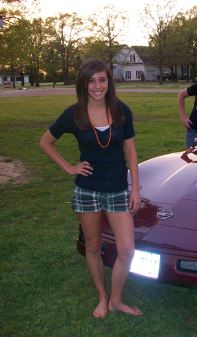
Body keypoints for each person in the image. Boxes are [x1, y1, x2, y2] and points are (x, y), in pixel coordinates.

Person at [39, 59, 142, 318]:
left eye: (102, 80)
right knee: (93, 246)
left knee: (127, 249)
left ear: (109, 81)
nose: (97, 86)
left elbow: (130, 149)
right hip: (87, 190)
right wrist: (69, 167)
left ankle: (116, 299)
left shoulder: (121, 111)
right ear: (83, 84)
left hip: (118, 188)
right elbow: (46, 142)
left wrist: (136, 189)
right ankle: (102, 296)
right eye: (91, 80)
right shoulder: (74, 114)